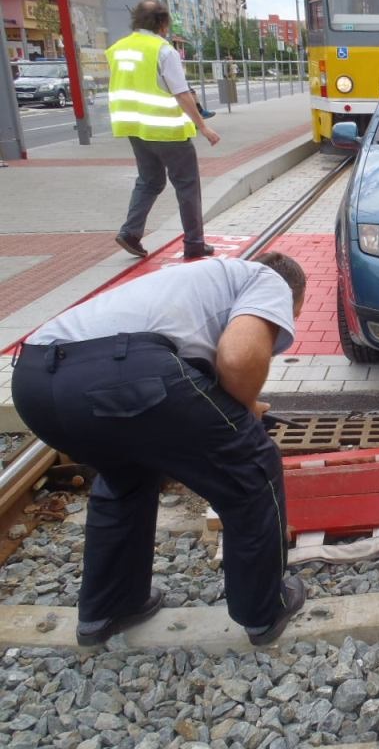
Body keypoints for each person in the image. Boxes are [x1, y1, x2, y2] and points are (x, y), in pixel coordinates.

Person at [11, 253, 308, 646]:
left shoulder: (192, 284)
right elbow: (237, 359)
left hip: (35, 382)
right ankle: (264, 610)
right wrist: (245, 414)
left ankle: (111, 607)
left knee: (126, 473)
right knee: (253, 464)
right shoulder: (267, 279)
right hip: (126, 372)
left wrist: (240, 407)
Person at [107, 0, 220, 261]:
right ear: (162, 22)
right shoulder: (162, 50)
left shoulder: (118, 49)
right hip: (167, 130)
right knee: (187, 186)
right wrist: (203, 126)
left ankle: (130, 233)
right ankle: (194, 243)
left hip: (135, 128)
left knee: (149, 181)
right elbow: (181, 93)